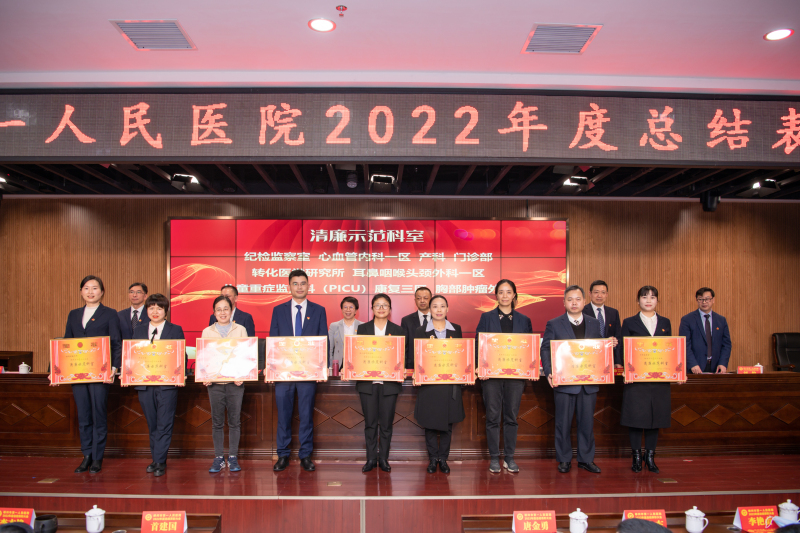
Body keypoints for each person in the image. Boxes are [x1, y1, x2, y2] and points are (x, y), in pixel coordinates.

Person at [541, 285, 616, 474]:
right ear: (564, 302)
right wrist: (549, 371)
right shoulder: (554, 323)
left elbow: (597, 349)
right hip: (564, 382)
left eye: (577, 299)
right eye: (570, 299)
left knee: (587, 423)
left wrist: (609, 345)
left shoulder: (593, 323)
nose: (574, 303)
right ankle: (564, 459)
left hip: (588, 384)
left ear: (584, 301)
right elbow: (546, 348)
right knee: (563, 423)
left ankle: (586, 459)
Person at [270, 270, 328, 473]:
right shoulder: (278, 310)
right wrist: (272, 368)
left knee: (306, 415)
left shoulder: (318, 310)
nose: (299, 287)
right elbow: (273, 341)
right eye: (295, 283)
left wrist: (321, 368)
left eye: (303, 283)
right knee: (283, 415)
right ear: (289, 286)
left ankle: (305, 455)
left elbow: (323, 340)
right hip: (283, 373)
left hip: (308, 373)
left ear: (308, 286)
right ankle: (282, 455)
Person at [63, 275, 122, 474]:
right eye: (86, 288)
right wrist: (57, 370)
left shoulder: (110, 314)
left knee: (98, 415)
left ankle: (97, 457)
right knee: (84, 416)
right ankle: (86, 454)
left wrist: (114, 368)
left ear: (102, 292)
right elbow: (66, 343)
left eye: (95, 288)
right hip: (78, 373)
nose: (90, 292)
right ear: (81, 292)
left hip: (100, 373)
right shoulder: (73, 314)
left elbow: (116, 343)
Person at [474, 279, 533, 474]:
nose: (505, 295)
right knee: (492, 416)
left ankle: (509, 457)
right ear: (496, 295)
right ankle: (494, 458)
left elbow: (529, 348)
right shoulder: (486, 317)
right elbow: (479, 344)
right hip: (491, 376)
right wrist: (480, 367)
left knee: (511, 417)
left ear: (514, 295)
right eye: (501, 292)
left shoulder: (524, 320)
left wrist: (531, 368)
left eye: (508, 292)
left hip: (515, 377)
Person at [619, 286, 674, 474]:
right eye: (644, 297)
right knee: (636, 419)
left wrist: (677, 371)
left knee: (655, 418)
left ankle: (650, 457)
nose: (648, 300)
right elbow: (623, 349)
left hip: (659, 380)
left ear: (657, 300)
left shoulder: (665, 322)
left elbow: (671, 349)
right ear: (638, 301)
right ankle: (636, 457)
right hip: (636, 380)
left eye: (652, 297)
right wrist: (626, 371)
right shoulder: (629, 322)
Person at [131, 293, 185, 477]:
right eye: (151, 308)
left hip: (167, 385)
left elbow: (181, 355)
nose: (155, 311)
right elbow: (132, 355)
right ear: (146, 310)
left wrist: (179, 372)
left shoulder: (175, 329)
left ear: (165, 311)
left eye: (159, 308)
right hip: (145, 385)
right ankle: (155, 458)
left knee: (165, 422)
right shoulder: (139, 330)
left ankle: (160, 460)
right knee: (152, 423)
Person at [352, 293, 405, 473]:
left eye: (385, 305)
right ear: (372, 308)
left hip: (389, 384)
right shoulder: (363, 329)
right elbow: (356, 354)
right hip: (367, 383)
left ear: (390, 309)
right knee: (370, 423)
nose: (381, 308)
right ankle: (370, 459)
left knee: (387, 424)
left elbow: (401, 356)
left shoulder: (397, 330)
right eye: (377, 305)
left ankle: (383, 458)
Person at [413, 294, 465, 474]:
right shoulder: (420, 331)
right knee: (429, 423)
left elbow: (461, 355)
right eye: (435, 306)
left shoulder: (456, 329)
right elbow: (417, 357)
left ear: (447, 309)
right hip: (429, 384)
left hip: (450, 384)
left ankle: (443, 459)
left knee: (447, 424)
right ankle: (432, 459)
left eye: (442, 306)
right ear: (430, 310)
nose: (439, 310)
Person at [202, 295, 247, 474]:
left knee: (235, 421)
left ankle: (233, 457)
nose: (222, 312)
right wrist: (205, 375)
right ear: (214, 313)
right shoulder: (207, 332)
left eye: (226, 309)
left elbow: (245, 356)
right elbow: (204, 358)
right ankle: (219, 457)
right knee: (217, 422)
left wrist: (243, 375)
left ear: (231, 310)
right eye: (218, 309)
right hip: (215, 383)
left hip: (236, 383)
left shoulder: (241, 330)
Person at [679, 287, 732, 374]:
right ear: (696, 300)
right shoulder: (687, 320)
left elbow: (726, 344)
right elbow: (684, 344)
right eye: (701, 299)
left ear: (713, 300)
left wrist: (723, 363)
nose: (704, 302)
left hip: (716, 368)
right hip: (695, 368)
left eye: (707, 299)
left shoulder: (721, 320)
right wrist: (692, 364)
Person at [583, 280, 622, 364]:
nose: (599, 295)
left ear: (606, 294)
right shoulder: (582, 312)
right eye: (596, 292)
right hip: (589, 357)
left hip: (609, 358)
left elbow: (618, 338)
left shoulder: (613, 313)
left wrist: (618, 362)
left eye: (603, 292)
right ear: (590, 294)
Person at [400, 287, 432, 369]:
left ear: (431, 300)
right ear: (415, 301)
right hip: (412, 366)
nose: (422, 301)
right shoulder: (406, 320)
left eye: (425, 298)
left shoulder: (439, 318)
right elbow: (404, 347)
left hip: (433, 363)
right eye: (419, 298)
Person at [328, 296, 363, 369]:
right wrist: (330, 366)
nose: (348, 310)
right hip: (338, 365)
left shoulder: (362, 326)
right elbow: (329, 349)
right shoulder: (334, 326)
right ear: (342, 309)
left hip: (357, 364)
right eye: (345, 307)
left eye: (351, 307)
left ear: (356, 310)